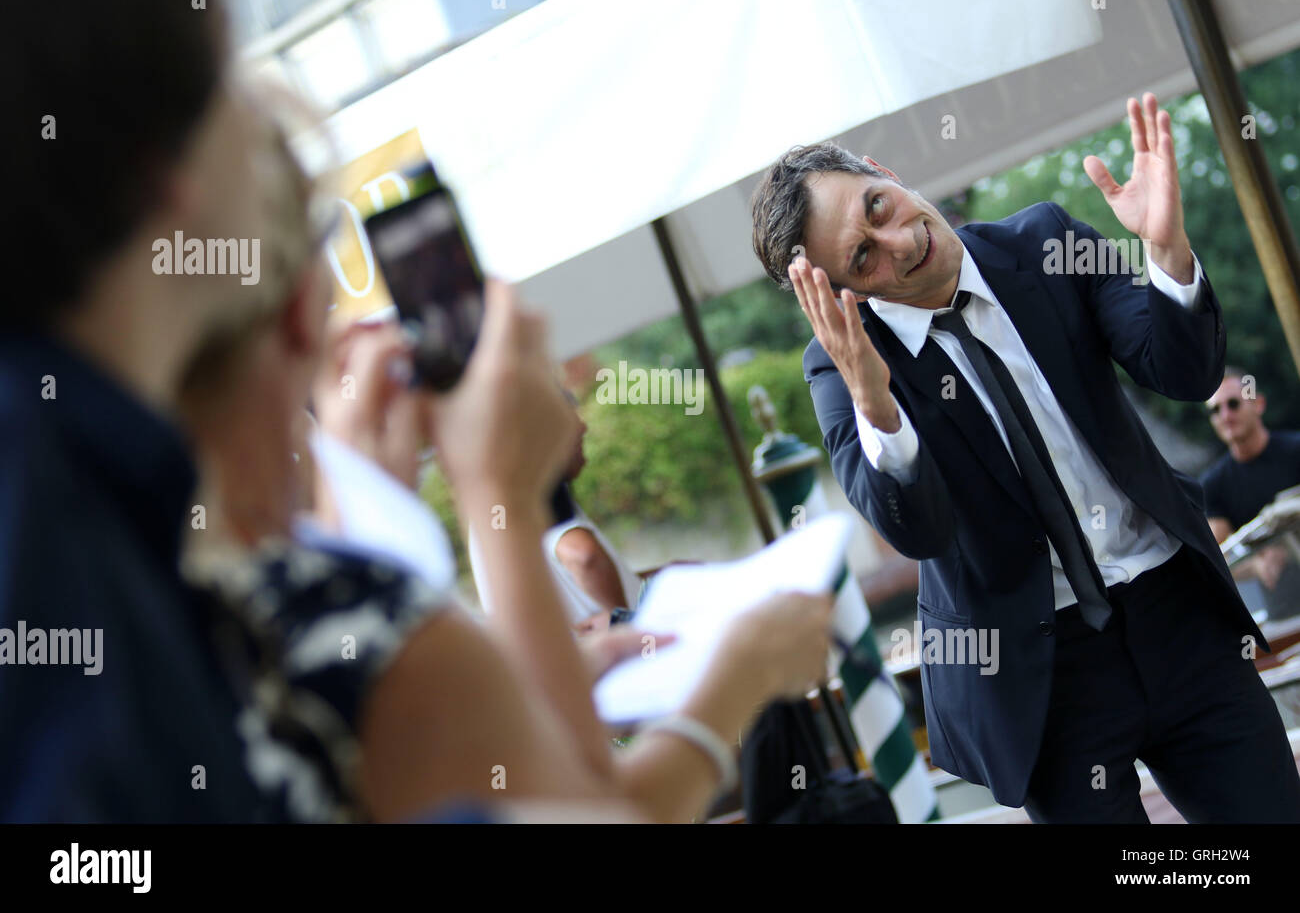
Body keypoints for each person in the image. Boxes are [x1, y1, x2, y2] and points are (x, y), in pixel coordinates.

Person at [179, 108, 836, 823]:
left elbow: (511, 781)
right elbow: (594, 813)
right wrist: (740, 677)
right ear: (306, 309)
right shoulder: (331, 605)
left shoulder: (181, 599)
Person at [748, 92, 1300, 822]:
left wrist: (1166, 253)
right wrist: (878, 403)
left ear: (882, 170)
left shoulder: (1044, 240)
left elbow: (1182, 371)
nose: (900, 244)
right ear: (841, 294)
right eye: (862, 258)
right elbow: (920, 532)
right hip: (1039, 678)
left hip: (1180, 618)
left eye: (878, 208)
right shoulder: (840, 367)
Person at [0, 0, 288, 821]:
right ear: (162, 167)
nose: (259, 121)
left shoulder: (83, 465)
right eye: (233, 80)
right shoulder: (34, 489)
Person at [469, 396, 642, 632]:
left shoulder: (495, 502)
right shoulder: (534, 492)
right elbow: (583, 555)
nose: (583, 426)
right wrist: (623, 620)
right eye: (568, 414)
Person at [1200, 368, 1300, 612]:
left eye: (1233, 404)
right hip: (1286, 611)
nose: (1225, 415)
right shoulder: (1213, 484)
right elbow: (1220, 559)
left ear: (1259, 404)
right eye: (1215, 410)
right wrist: (1255, 565)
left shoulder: (1297, 451)